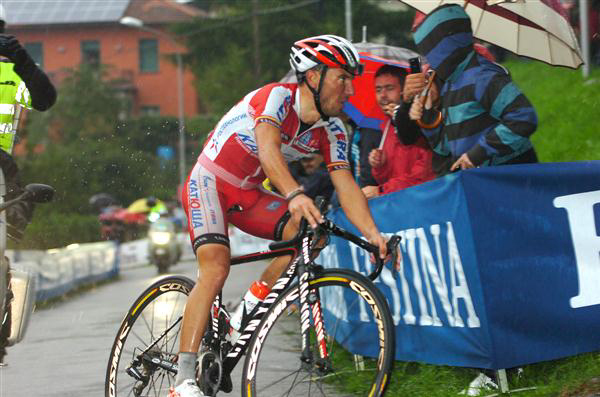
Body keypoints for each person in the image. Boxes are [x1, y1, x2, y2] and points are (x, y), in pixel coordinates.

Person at [175, 35, 388, 397]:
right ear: (314, 76)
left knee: (312, 232)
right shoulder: (277, 98)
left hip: (247, 193)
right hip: (209, 181)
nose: (351, 90)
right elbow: (268, 149)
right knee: (215, 268)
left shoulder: (333, 129)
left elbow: (345, 185)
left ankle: (250, 308)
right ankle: (182, 380)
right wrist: (293, 193)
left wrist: (373, 233)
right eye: (343, 78)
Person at [408, 4, 538, 177]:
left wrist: (477, 153)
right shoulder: (450, 85)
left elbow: (523, 117)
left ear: (447, 41)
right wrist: (428, 114)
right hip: (485, 181)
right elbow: (446, 148)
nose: (429, 58)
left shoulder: (483, 76)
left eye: (430, 48)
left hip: (514, 175)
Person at [0, 5, 57, 365]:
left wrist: (21, 59)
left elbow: (45, 99)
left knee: (12, 232)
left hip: (2, 177)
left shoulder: (9, 70)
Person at [361, 64, 435, 199]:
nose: (383, 95)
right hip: (398, 203)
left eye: (389, 88)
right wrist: (380, 165)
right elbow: (389, 176)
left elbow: (424, 176)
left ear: (404, 90)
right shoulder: (387, 124)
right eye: (378, 90)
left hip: (423, 201)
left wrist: (381, 190)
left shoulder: (419, 119)